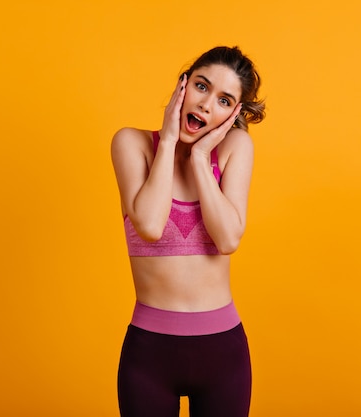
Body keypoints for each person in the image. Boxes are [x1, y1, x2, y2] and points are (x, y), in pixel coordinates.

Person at [111, 45, 265, 417]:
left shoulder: (235, 148)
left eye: (225, 100)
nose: (207, 104)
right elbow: (148, 225)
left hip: (223, 354)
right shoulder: (132, 144)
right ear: (183, 85)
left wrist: (200, 158)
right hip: (149, 354)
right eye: (201, 86)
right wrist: (167, 141)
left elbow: (228, 239)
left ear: (233, 115)